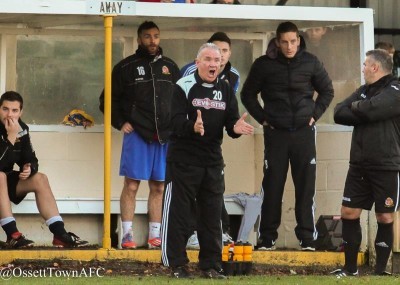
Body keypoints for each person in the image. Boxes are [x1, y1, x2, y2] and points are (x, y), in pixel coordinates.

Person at [161, 43, 254, 279]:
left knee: (212, 216)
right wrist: (191, 126)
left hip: (212, 162)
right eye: (208, 59)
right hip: (183, 162)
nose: (214, 64)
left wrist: (236, 127)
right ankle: (177, 265)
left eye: (217, 60)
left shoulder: (224, 89)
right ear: (197, 62)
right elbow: (172, 123)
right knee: (179, 215)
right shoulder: (183, 87)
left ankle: (210, 265)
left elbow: (231, 123)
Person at [241, 21, 334, 251]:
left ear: (299, 40)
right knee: (272, 185)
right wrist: (263, 118)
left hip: (304, 132)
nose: (289, 46)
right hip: (276, 134)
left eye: (293, 41)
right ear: (277, 42)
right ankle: (267, 238)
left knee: (305, 186)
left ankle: (306, 238)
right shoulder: (264, 65)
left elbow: (327, 90)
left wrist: (315, 114)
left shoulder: (311, 62)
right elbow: (247, 94)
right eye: (284, 42)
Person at [99, 21, 180, 249]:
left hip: (164, 135)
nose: (152, 41)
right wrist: (120, 122)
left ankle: (155, 235)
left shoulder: (170, 67)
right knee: (132, 185)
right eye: (147, 36)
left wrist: (175, 125)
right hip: (138, 133)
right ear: (139, 39)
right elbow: (107, 100)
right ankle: (127, 234)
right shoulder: (126, 67)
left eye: (156, 36)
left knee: (159, 187)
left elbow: (179, 101)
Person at [331, 49, 400, 278]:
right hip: (358, 164)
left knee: (385, 216)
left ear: (375, 68)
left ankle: (380, 272)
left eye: (365, 64)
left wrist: (360, 109)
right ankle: (350, 269)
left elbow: (374, 109)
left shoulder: (396, 89)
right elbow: (338, 113)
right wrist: (363, 110)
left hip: (387, 165)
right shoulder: (363, 91)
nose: (362, 68)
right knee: (349, 212)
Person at [0, 91, 88, 248]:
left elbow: (31, 158)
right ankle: (12, 235)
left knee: (40, 178)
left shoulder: (22, 128)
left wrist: (29, 167)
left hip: (5, 182)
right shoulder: (12, 131)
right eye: (5, 109)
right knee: (0, 176)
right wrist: (11, 137)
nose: (9, 115)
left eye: (14, 111)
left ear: (21, 112)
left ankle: (60, 234)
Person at [181, 31, 239, 249]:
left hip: (213, 150)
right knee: (189, 195)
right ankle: (190, 234)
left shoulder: (232, 77)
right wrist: (192, 126)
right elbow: (177, 113)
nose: (219, 57)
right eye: (214, 53)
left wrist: (235, 127)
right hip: (188, 150)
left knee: (214, 193)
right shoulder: (188, 76)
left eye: (223, 52)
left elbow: (227, 113)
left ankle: (218, 235)